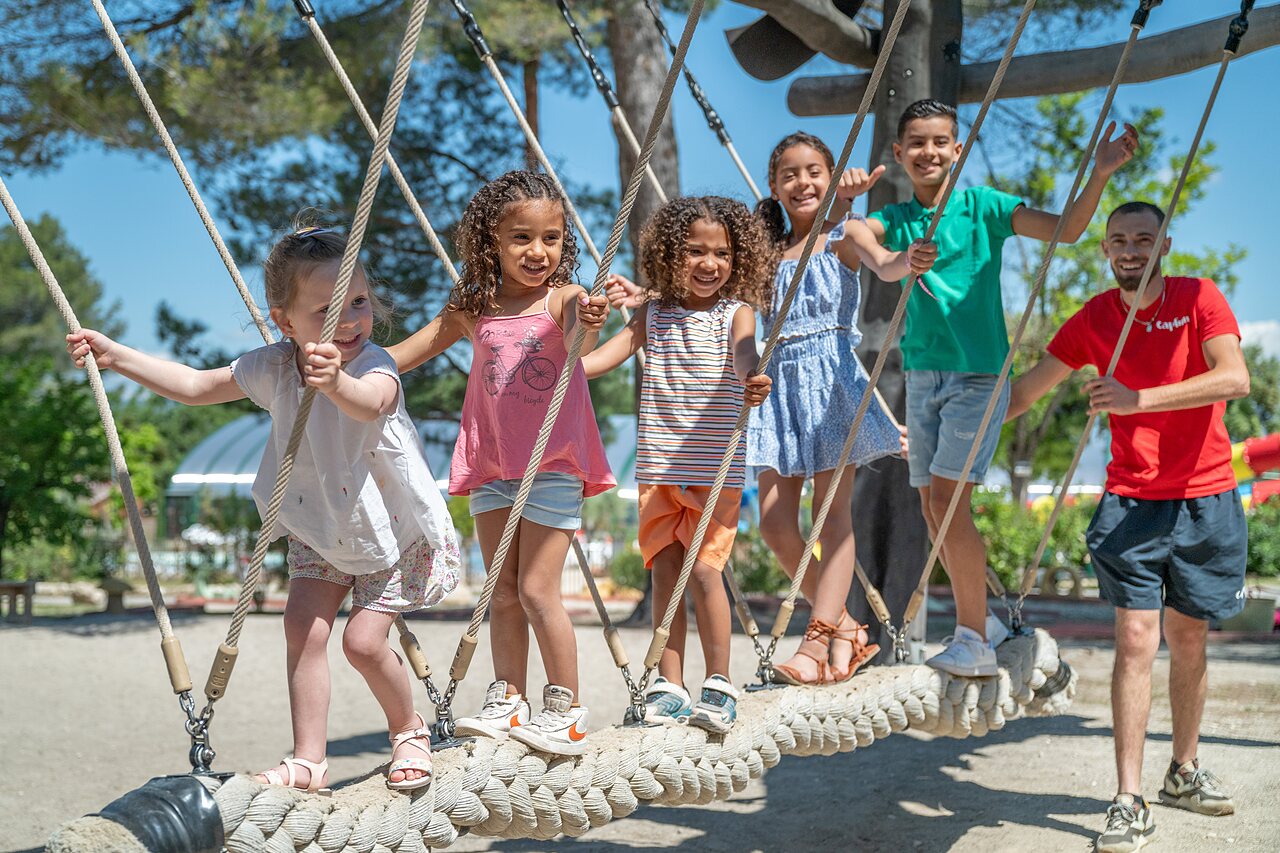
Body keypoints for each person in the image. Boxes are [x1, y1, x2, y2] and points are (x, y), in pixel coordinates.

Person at [67, 225, 461, 793]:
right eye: (328, 309)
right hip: (321, 525)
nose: (350, 319)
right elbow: (197, 386)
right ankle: (309, 759)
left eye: (359, 301)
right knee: (301, 628)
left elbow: (373, 404)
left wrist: (334, 385)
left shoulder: (375, 363)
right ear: (286, 322)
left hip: (387, 529)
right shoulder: (273, 366)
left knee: (364, 642)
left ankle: (409, 729)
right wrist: (117, 356)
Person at [855, 99, 1138, 677]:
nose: (929, 152)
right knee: (934, 505)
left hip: (979, 375)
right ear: (899, 153)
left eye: (941, 142)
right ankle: (982, 623)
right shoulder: (901, 219)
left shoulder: (984, 207)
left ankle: (972, 640)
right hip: (923, 373)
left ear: (957, 150)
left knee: (948, 501)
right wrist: (894, 258)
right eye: (917, 142)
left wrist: (1100, 174)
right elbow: (857, 236)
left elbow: (1067, 231)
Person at [1007, 201, 1248, 853]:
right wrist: (950, 433)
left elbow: (1235, 376)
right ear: (1105, 250)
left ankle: (1184, 770)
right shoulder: (1095, 319)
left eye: (1144, 238)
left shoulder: (1200, 297)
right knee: (1137, 637)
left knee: (1189, 639)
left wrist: (1138, 398)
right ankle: (1127, 797)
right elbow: (1026, 390)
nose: (1131, 249)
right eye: (1119, 240)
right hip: (1131, 501)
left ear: (1164, 243)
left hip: (1206, 496)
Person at [388, 171, 613, 756]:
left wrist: (590, 319)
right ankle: (508, 698)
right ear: (491, 241)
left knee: (539, 590)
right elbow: (400, 356)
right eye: (521, 238)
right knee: (502, 591)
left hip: (552, 463)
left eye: (553, 238)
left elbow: (581, 340)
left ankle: (564, 707)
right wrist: (339, 360)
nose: (538, 252)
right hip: (491, 465)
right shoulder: (472, 307)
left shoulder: (563, 299)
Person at [584, 196, 773, 730]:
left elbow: (744, 350)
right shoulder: (653, 313)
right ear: (671, 254)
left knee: (707, 573)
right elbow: (602, 358)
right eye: (695, 251)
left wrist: (750, 374)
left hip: (714, 470)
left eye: (723, 253)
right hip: (660, 466)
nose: (710, 264)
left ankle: (719, 682)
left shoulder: (734, 311)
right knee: (666, 573)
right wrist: (569, 361)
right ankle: (670, 684)